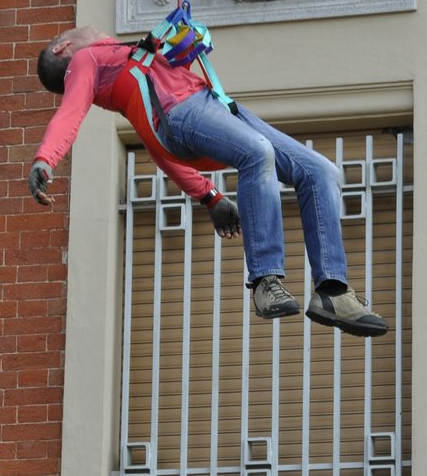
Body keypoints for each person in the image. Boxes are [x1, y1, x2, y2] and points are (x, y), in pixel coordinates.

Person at [27, 25, 388, 337]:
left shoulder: (126, 64)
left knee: (320, 171)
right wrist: (46, 158)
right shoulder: (85, 61)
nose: (88, 28)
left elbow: (155, 146)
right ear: (63, 48)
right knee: (258, 153)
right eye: (73, 34)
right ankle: (266, 280)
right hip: (184, 114)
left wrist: (211, 196)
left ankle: (332, 290)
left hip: (219, 108)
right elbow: (70, 113)